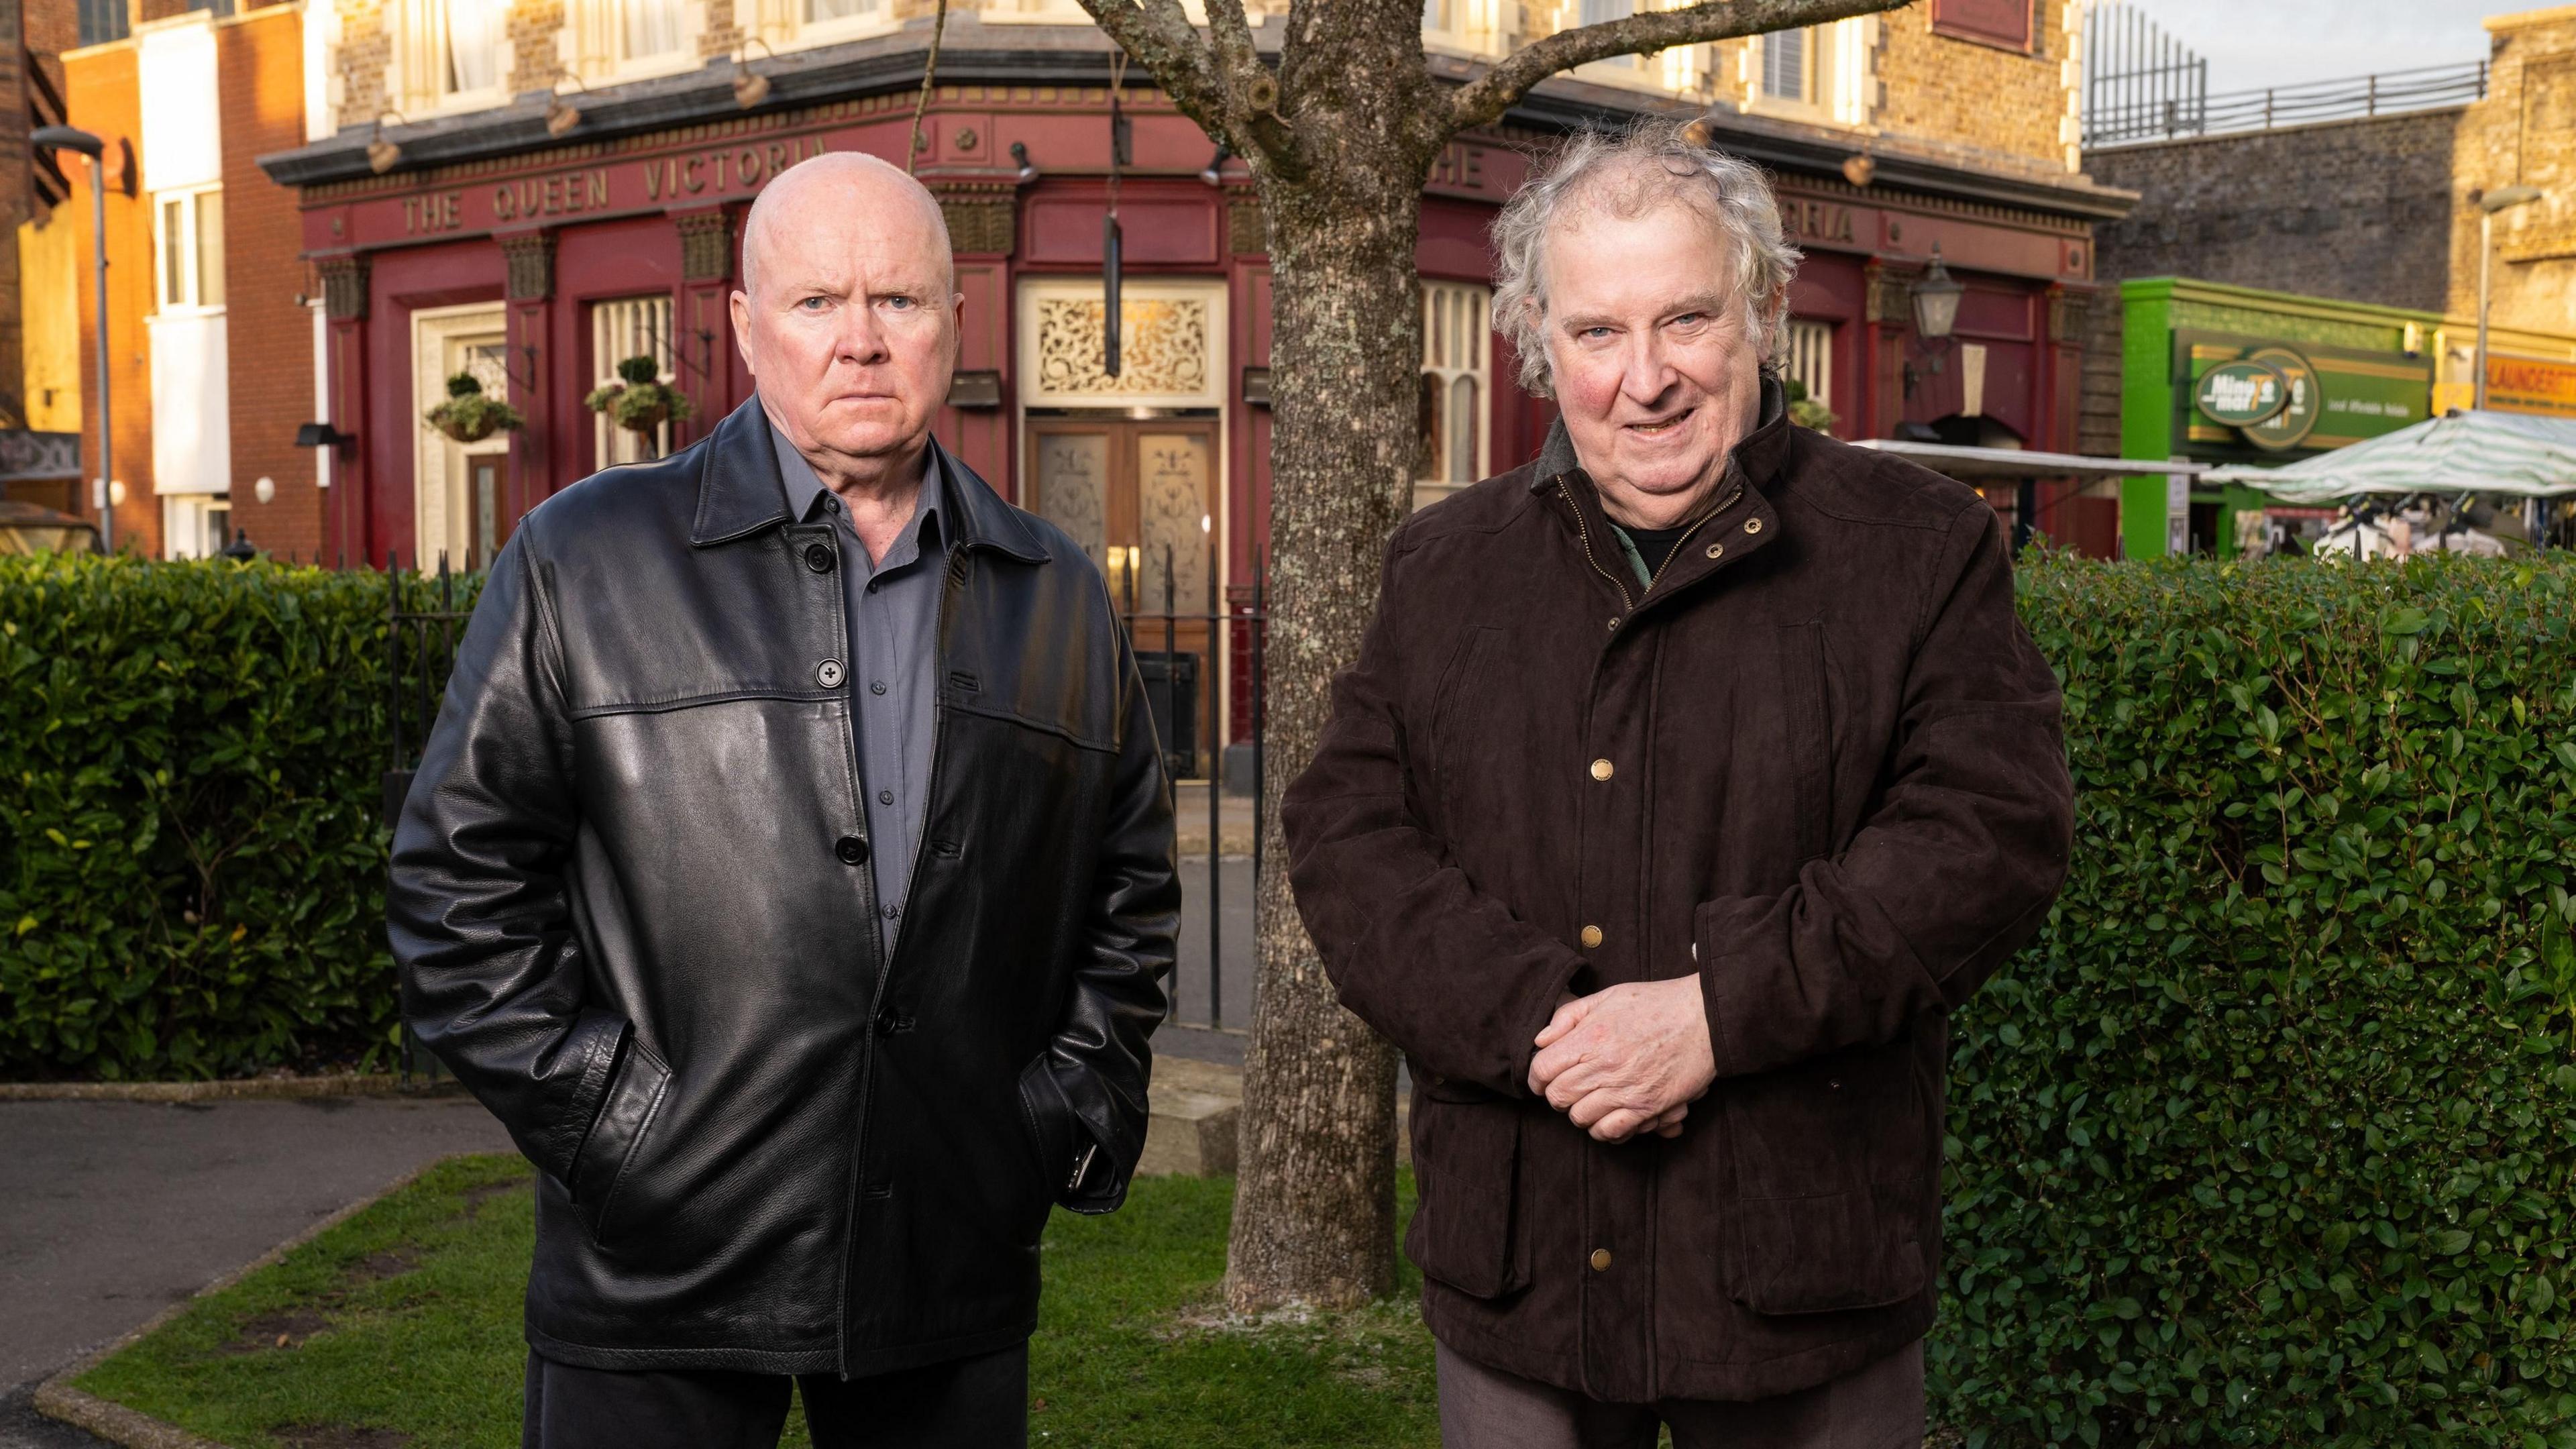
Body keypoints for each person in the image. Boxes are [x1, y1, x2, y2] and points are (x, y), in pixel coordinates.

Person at [1283, 121, 2074, 1449]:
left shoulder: (1920, 551)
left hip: (1799, 1281)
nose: (1645, 378)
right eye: (1598, 334)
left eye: (1686, 319)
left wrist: (1719, 1014)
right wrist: (1544, 1019)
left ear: (1762, 308)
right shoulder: (1443, 568)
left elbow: (1986, 834)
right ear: (1538, 342)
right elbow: (1347, 838)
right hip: (1522, 1270)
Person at [389, 151, 1177, 1448]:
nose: (860, 342)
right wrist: (614, 1123)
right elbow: (453, 885)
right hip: (658, 1268)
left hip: (949, 1265)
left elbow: (1131, 890)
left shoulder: (1056, 593)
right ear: (747, 330)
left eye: (900, 302)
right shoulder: (583, 558)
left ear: (955, 324)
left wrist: (1057, 1115)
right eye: (816, 303)